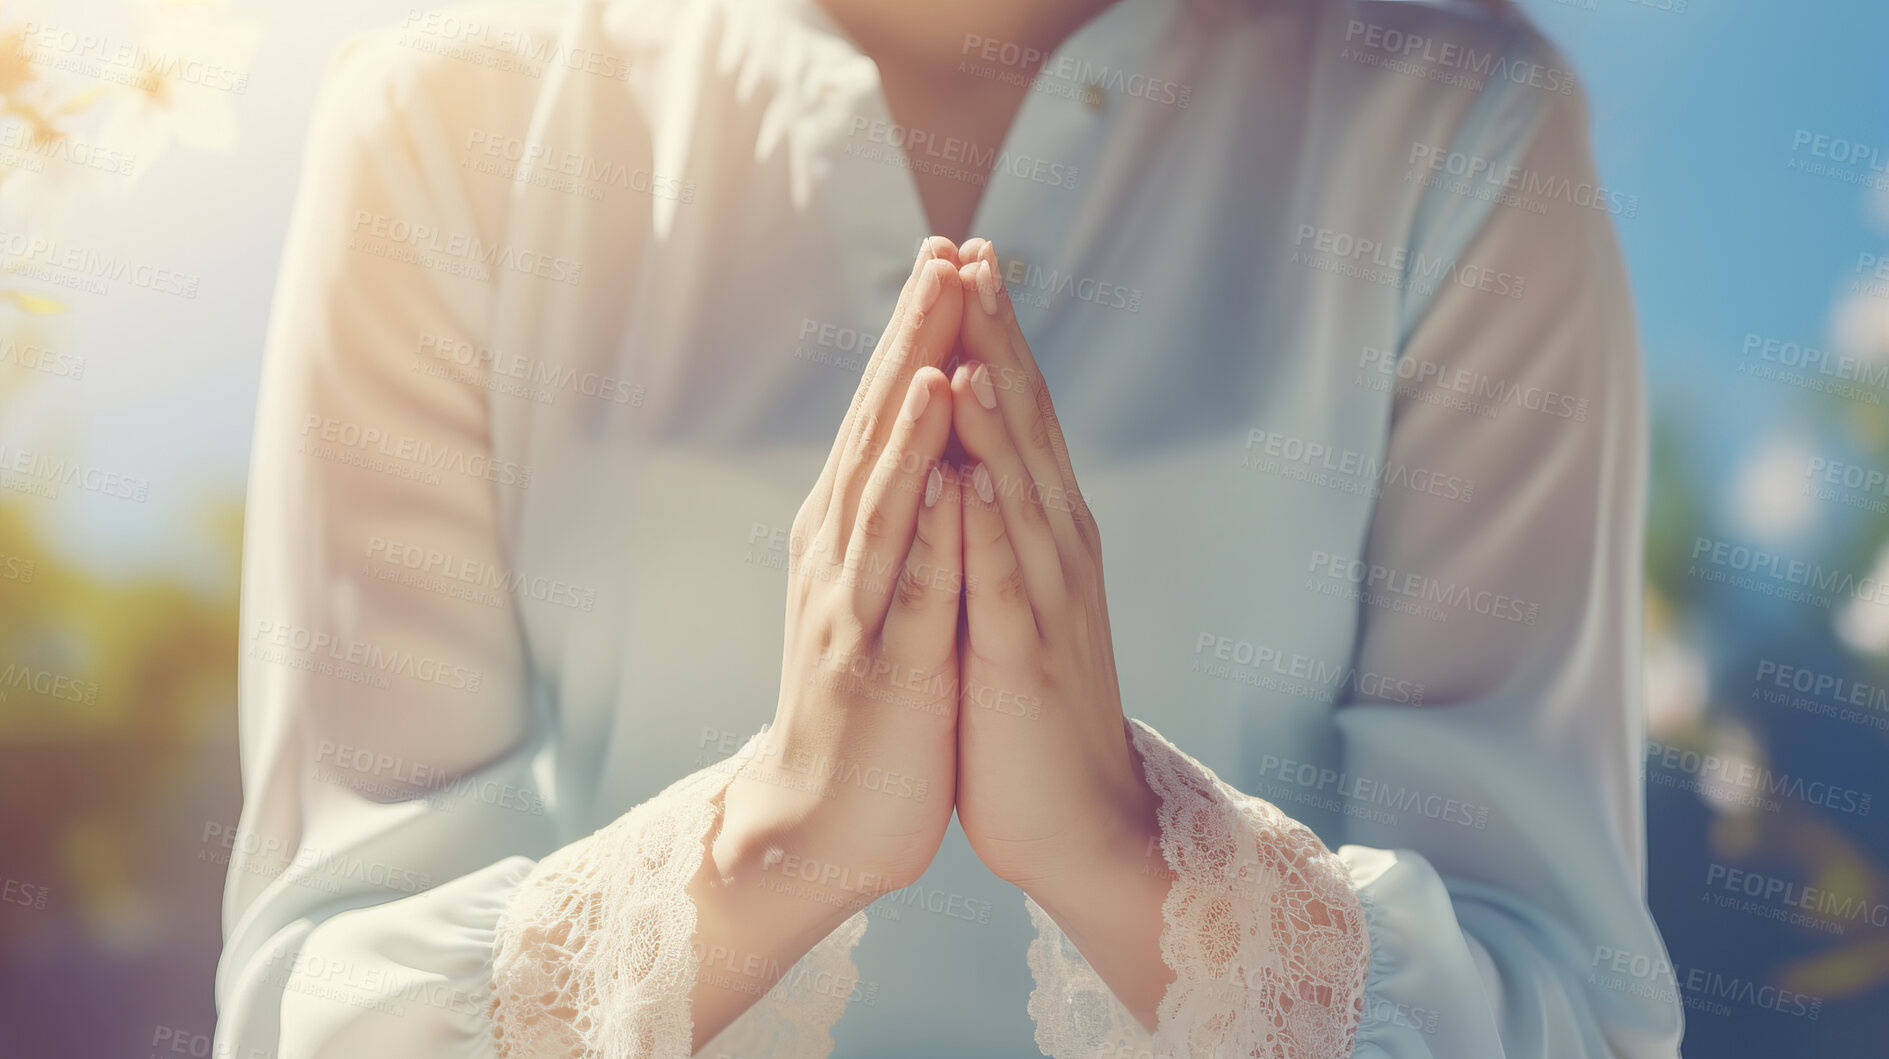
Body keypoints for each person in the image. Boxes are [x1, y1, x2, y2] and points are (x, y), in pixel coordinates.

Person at [215, 0, 1685, 1054]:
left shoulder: (1448, 116)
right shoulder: (445, 122)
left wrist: (1129, 853)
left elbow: (1564, 998)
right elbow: (312, 998)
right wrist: (768, 845)